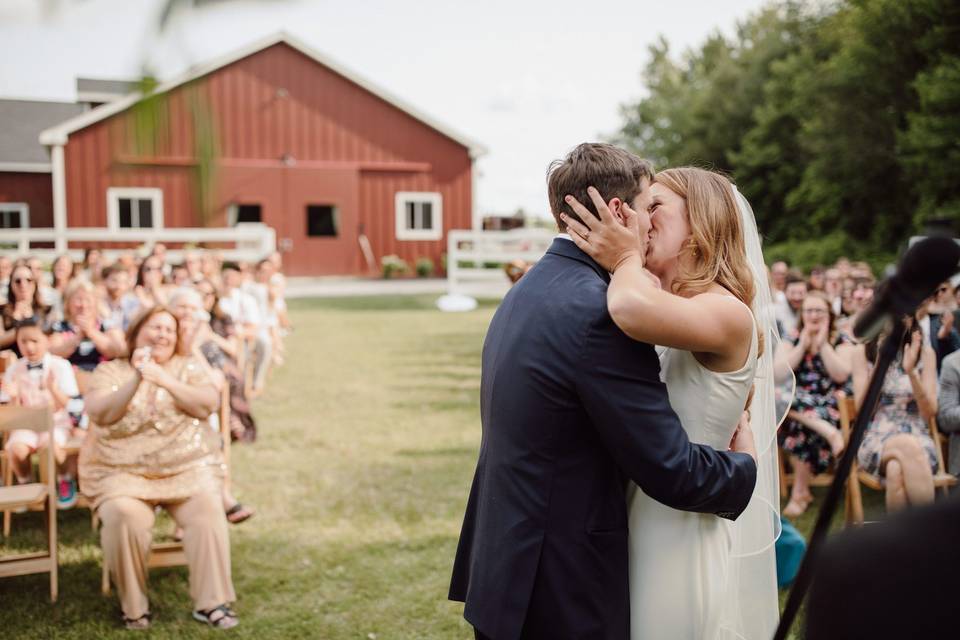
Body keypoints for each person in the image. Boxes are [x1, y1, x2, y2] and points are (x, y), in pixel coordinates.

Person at [449, 144, 758, 640]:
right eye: (647, 207)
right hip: (561, 577)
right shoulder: (602, 313)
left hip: (520, 560)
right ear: (619, 212)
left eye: (662, 212)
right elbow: (669, 465)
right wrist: (744, 470)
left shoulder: (530, 291)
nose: (650, 224)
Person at [563, 164, 782, 639]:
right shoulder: (676, 307)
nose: (641, 219)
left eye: (655, 206)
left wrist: (624, 261)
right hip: (641, 515)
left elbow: (627, 309)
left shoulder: (727, 311)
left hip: (679, 532)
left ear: (700, 222)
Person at [79, 306, 237, 630]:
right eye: (155, 328)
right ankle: (134, 608)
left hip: (185, 467)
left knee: (208, 509)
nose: (162, 335)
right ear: (136, 333)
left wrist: (164, 379)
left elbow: (206, 403)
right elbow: (100, 413)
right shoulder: (111, 371)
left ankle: (212, 603)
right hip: (122, 471)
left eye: (169, 329)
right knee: (123, 515)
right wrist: (138, 377)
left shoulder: (187, 366)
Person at [169, 287, 256, 521]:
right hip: (165, 411)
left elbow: (217, 382)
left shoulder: (205, 343)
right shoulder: (161, 336)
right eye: (181, 306)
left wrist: (193, 349)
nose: (186, 312)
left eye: (192, 308)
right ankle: (213, 503)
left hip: (199, 410)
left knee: (208, 434)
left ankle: (217, 498)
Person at [775, 290, 852, 517]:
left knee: (801, 427)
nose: (814, 315)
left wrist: (823, 344)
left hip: (830, 403)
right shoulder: (793, 336)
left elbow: (840, 375)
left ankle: (800, 493)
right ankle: (828, 434)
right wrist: (802, 346)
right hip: (797, 401)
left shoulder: (840, 338)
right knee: (778, 396)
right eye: (809, 310)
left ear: (829, 313)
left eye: (819, 310)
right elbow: (778, 374)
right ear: (802, 313)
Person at [850, 317, 939, 512]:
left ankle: (902, 542)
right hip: (877, 437)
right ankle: (934, 536)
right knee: (907, 446)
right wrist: (881, 362)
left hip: (919, 437)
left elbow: (930, 412)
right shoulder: (862, 352)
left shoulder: (925, 353)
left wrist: (911, 372)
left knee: (895, 470)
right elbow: (862, 410)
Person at [2, 317, 82, 509]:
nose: (29, 347)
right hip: (26, 423)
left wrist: (53, 389)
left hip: (55, 422)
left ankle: (64, 478)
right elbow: (10, 414)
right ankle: (25, 482)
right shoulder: (14, 369)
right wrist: (13, 397)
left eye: (34, 341)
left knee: (51, 447)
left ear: (47, 340)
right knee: (16, 449)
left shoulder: (61, 365)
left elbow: (73, 405)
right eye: (23, 342)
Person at [50, 279, 126, 372]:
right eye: (78, 299)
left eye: (88, 299)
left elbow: (117, 351)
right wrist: (78, 337)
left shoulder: (107, 325)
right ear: (68, 303)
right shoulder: (60, 327)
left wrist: (91, 332)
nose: (83, 305)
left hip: (102, 377)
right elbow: (53, 354)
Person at [0, 261, 51, 355]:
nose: (23, 284)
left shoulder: (46, 310)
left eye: (28, 280)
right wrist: (19, 324)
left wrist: (28, 321)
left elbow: (50, 341)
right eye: (18, 281)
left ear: (35, 283)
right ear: (11, 285)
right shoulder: (2, 311)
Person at [100, 263, 141, 332]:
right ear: (104, 281)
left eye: (123, 282)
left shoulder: (133, 303)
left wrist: (107, 316)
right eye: (114, 280)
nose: (119, 286)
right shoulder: (97, 304)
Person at [776, 273, 807, 339]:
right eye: (792, 293)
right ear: (785, 292)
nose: (797, 297)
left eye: (801, 293)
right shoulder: (776, 314)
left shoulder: (812, 312)